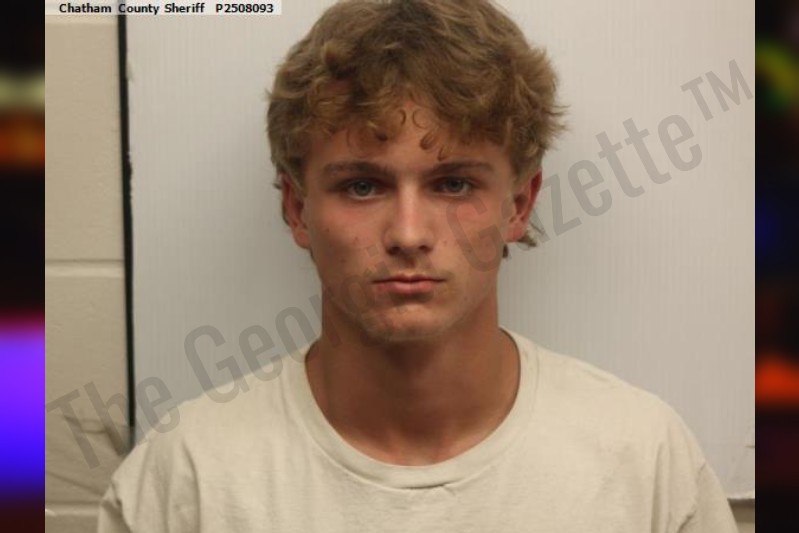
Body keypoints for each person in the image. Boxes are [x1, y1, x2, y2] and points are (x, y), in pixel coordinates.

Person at [98, 1, 739, 531]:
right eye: (362, 186)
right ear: (297, 209)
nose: (408, 234)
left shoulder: (644, 466)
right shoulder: (186, 482)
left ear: (519, 205)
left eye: (454, 184)